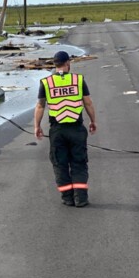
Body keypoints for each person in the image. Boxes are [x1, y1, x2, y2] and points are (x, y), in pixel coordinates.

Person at [34, 50, 97, 207]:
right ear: (68, 63)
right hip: (76, 128)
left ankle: (67, 197)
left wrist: (37, 126)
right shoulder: (78, 80)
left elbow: (40, 106)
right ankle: (81, 198)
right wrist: (93, 121)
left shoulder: (46, 83)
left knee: (60, 163)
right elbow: (88, 103)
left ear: (54, 64)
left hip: (58, 130)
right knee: (79, 162)